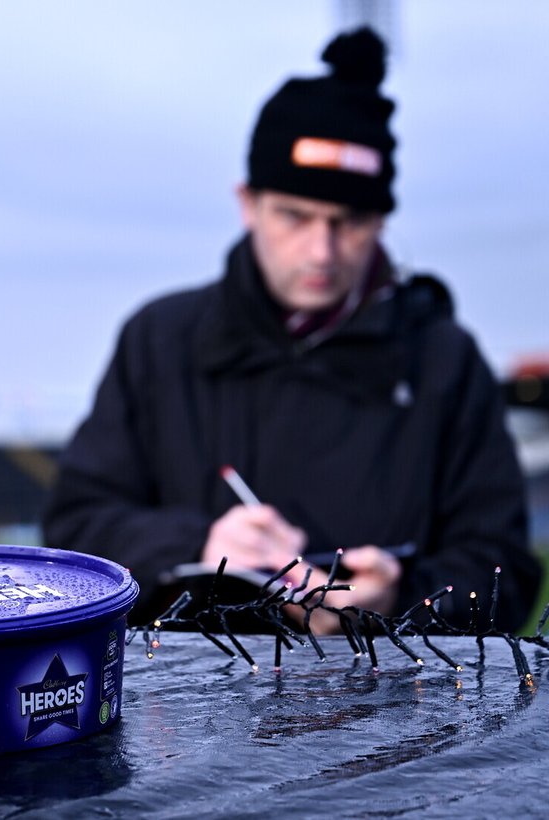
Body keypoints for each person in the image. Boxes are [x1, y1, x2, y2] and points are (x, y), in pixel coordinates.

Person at [42, 28, 542, 633]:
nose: (322, 250)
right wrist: (201, 547)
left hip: (391, 717)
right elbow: (73, 536)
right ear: (247, 202)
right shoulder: (160, 339)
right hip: (188, 715)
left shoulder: (443, 359)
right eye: (295, 217)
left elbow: (505, 573)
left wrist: (400, 598)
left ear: (382, 220)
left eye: (350, 222)